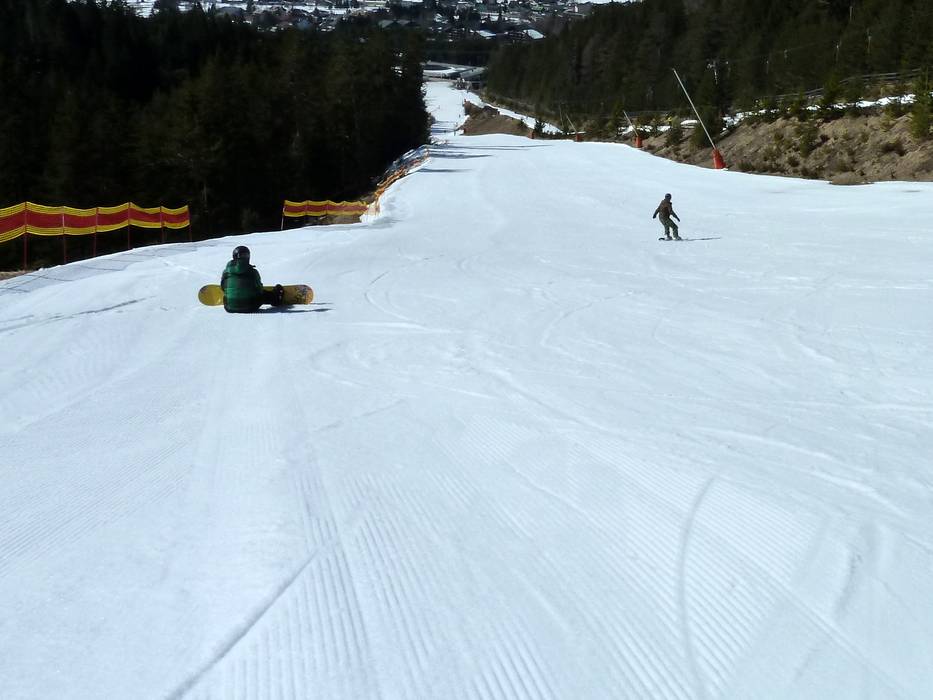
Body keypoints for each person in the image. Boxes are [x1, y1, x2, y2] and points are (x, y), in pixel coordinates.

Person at [220, 246, 285, 313]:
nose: (245, 257)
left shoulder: (226, 272)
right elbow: (259, 289)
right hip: (250, 307)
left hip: (229, 308)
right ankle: (276, 299)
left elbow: (222, 287)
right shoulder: (253, 272)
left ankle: (233, 300)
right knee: (265, 295)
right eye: (244, 255)